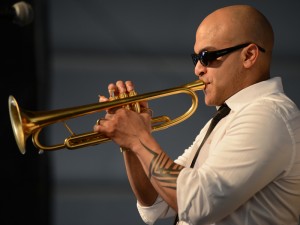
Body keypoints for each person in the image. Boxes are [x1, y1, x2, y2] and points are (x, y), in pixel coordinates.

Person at [93, 4, 300, 225]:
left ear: (249, 55)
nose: (198, 69)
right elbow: (157, 199)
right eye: (196, 58)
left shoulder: (268, 115)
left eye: (207, 56)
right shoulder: (228, 117)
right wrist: (128, 143)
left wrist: (138, 138)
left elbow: (197, 202)